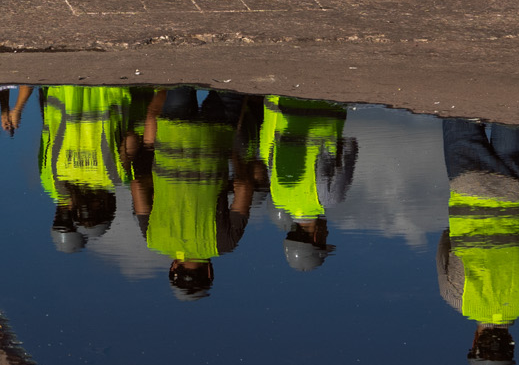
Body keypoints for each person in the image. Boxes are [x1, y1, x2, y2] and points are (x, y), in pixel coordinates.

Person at [438, 117, 519, 365]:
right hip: (469, 184)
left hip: (518, 189)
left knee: (511, 111)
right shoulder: (456, 298)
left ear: (511, 346)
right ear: (473, 344)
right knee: (458, 111)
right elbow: (445, 241)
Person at [134, 88, 256, 301]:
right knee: (181, 75)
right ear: (173, 268)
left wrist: (234, 157)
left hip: (215, 139)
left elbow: (243, 187)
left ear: (209, 272)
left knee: (234, 75)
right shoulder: (153, 239)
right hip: (172, 134)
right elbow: (137, 186)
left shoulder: (224, 243)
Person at [32, 84, 138, 254]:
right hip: (64, 91)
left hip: (108, 91)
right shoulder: (59, 177)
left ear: (110, 207)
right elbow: (47, 137)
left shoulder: (116, 177)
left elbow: (131, 139)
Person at [261, 96, 356, 273]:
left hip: (327, 104)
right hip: (287, 104)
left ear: (316, 236)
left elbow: (350, 149)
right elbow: (273, 152)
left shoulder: (329, 199)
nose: (327, 233)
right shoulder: (277, 196)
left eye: (324, 239)